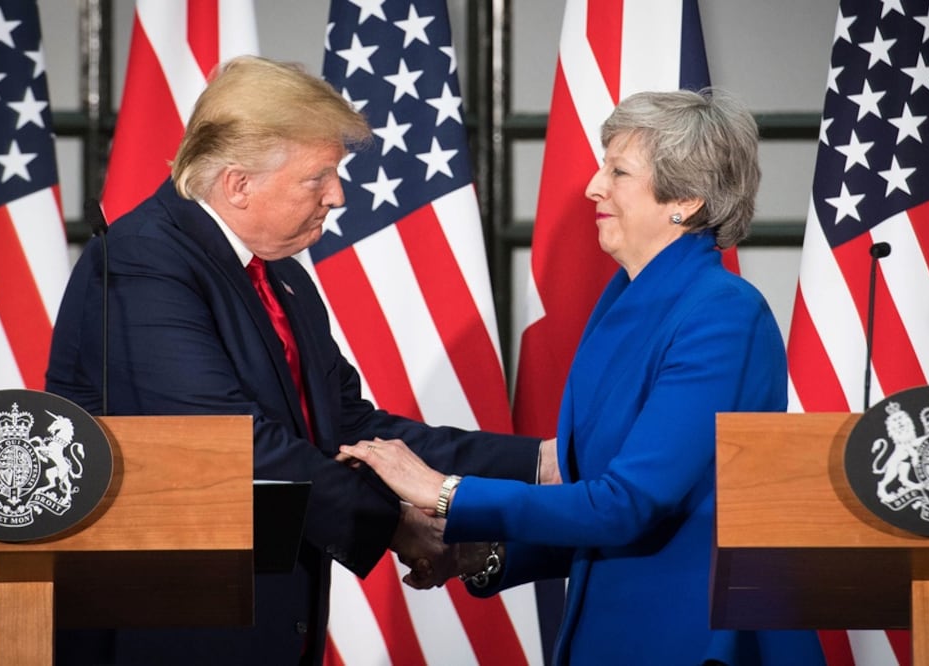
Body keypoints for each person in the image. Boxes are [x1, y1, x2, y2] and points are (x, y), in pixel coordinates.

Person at [44, 55, 555, 665]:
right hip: (152, 633)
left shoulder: (280, 275)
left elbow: (349, 428)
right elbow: (231, 445)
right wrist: (395, 524)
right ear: (238, 184)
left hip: (259, 625)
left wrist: (536, 461)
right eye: (320, 176)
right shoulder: (141, 261)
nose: (338, 196)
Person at [339, 89, 827, 665]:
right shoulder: (628, 301)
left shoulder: (721, 313)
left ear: (687, 199)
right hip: (610, 635)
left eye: (618, 171)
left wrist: (445, 493)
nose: (594, 186)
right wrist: (483, 554)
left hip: (689, 642)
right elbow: (610, 509)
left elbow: (628, 506)